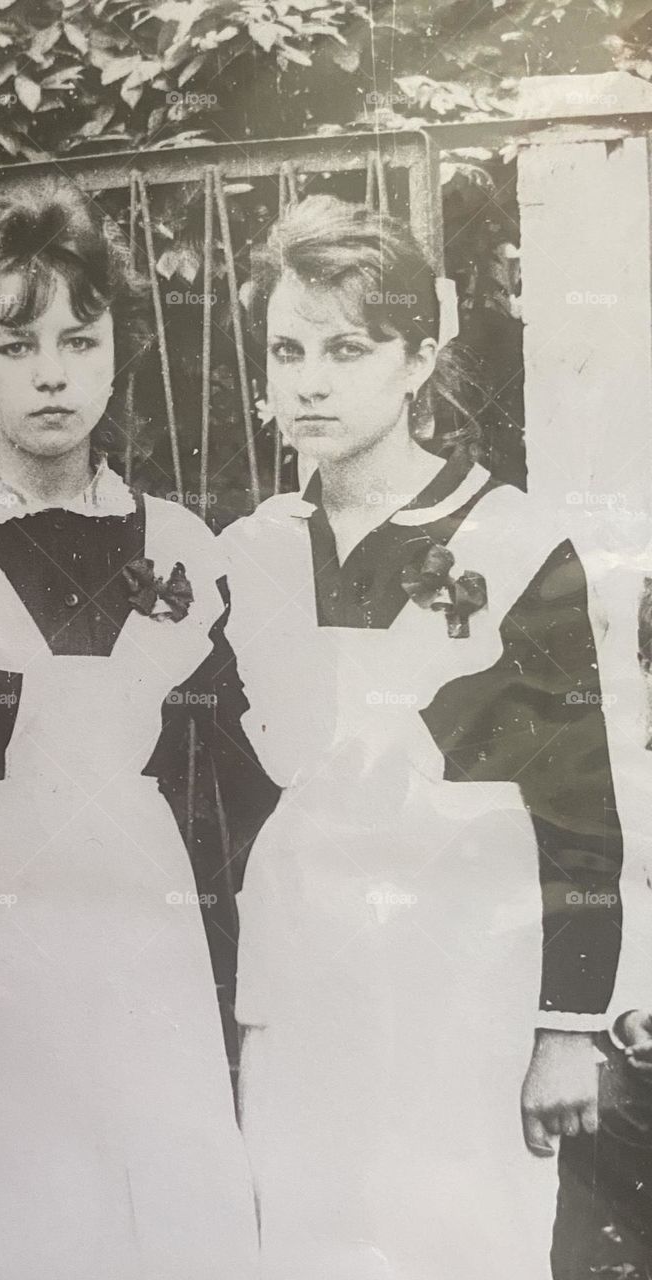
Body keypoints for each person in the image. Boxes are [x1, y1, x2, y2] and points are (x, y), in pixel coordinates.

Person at [0, 180, 259, 1280]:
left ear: (117, 349)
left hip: (147, 963)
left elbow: (217, 795)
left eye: (81, 337)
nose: (53, 370)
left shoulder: (180, 547)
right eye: (15, 342)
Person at [220, 195, 627, 1280]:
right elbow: (225, 795)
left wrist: (566, 1024)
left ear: (418, 357)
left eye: (349, 348)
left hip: (463, 998)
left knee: (464, 1242)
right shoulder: (251, 552)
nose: (310, 378)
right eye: (288, 349)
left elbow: (577, 803)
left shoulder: (513, 538)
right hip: (304, 988)